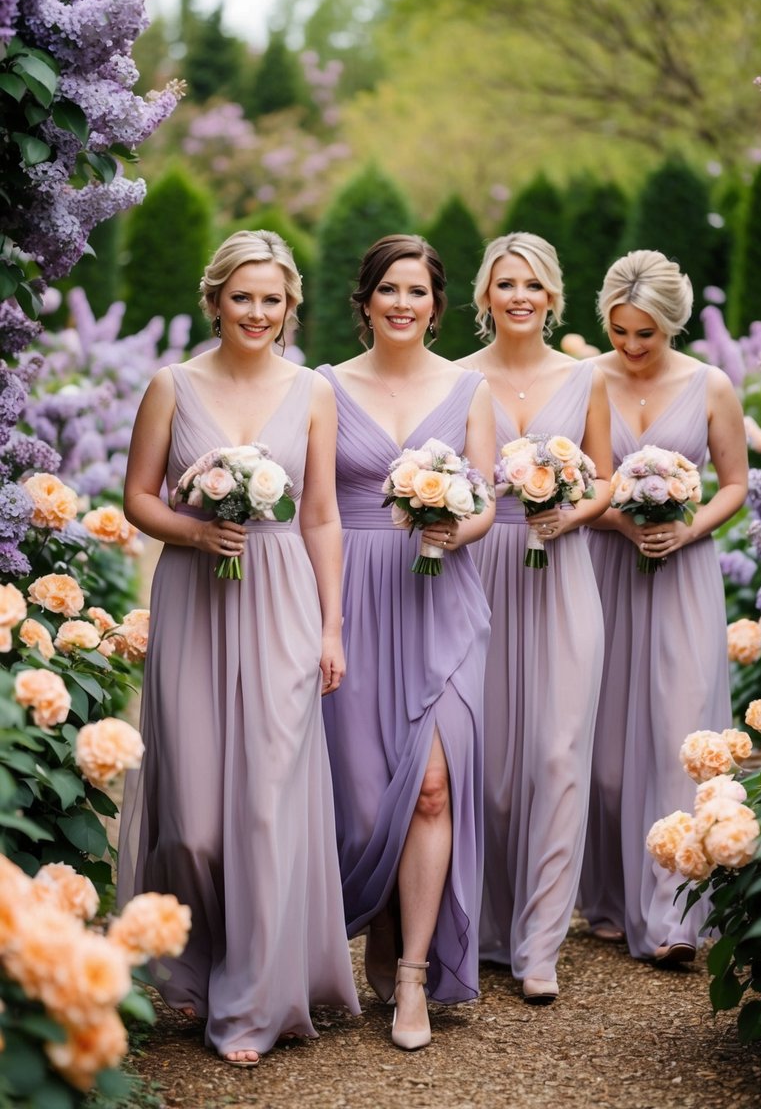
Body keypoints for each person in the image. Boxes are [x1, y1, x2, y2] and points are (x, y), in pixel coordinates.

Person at [118, 230, 359, 1066]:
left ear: (290, 307)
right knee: (194, 828)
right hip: (194, 602)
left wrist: (331, 627)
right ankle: (199, 964)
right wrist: (193, 531)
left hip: (285, 602)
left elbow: (322, 516)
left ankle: (255, 1003)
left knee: (264, 807)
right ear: (214, 299)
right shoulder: (171, 387)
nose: (257, 313)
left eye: (272, 299)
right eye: (242, 297)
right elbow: (137, 499)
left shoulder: (314, 393)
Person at [318, 234, 495, 1051]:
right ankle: (382, 920)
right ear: (364, 302)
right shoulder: (322, 388)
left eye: (416, 291)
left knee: (431, 788)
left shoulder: (469, 388)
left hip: (440, 594)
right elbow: (311, 507)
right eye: (387, 289)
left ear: (436, 303)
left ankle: (415, 974)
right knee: (361, 801)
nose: (401, 304)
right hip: (352, 592)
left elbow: (488, 497)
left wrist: (457, 527)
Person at [579, 248, 748, 964]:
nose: (629, 346)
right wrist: (624, 521)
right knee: (608, 749)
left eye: (643, 333)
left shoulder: (710, 387)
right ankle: (611, 898)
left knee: (681, 733)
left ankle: (675, 914)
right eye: (619, 331)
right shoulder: (588, 380)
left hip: (681, 573)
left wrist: (684, 530)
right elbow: (586, 484)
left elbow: (734, 485)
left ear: (671, 326)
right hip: (606, 567)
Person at [458, 232, 611, 1002]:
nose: (519, 295)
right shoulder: (454, 380)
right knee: (488, 769)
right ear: (485, 296)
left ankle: (541, 943)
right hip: (481, 574)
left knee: (556, 755)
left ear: (552, 296)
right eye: (504, 283)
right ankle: (485, 931)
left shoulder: (585, 378)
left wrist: (570, 512)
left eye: (532, 284)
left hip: (561, 575)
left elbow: (606, 479)